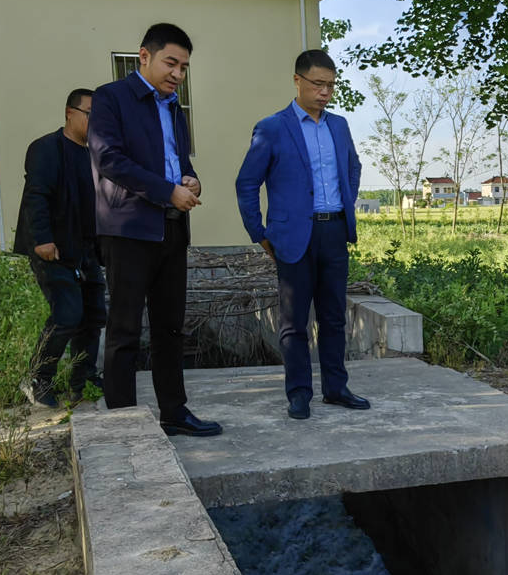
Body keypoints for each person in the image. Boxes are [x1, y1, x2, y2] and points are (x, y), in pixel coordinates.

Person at [88, 22, 221, 437]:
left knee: (170, 328)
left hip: (172, 229)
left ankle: (174, 412)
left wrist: (191, 179)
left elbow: (179, 161)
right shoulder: (111, 99)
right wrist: (167, 191)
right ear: (143, 56)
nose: (177, 74)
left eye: (184, 67)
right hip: (128, 230)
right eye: (171, 63)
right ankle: (125, 423)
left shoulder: (174, 108)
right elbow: (109, 159)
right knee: (125, 330)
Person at [235, 48, 368, 420]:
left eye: (331, 86)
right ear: (297, 81)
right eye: (317, 84)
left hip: (334, 231)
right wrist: (259, 233)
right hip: (293, 237)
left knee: (333, 317)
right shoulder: (273, 128)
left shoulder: (338, 126)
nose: (324, 92)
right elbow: (247, 183)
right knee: (294, 322)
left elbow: (353, 169)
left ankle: (336, 388)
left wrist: (345, 205)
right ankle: (298, 393)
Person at [15, 88, 106, 406]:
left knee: (94, 315)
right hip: (51, 248)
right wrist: (41, 239)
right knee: (67, 313)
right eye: (91, 113)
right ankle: (37, 379)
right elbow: (36, 195)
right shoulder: (46, 148)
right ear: (70, 113)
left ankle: (83, 380)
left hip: (86, 248)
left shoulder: (95, 155)